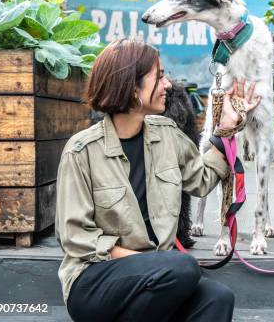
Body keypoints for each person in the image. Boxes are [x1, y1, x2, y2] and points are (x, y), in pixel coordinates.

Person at [55, 38, 260, 322]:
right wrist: (148, 263)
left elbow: (201, 180)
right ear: (131, 87)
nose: (167, 85)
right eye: (160, 76)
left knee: (218, 298)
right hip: (95, 280)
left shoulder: (167, 134)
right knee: (183, 268)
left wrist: (226, 128)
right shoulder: (81, 151)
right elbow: (75, 238)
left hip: (159, 278)